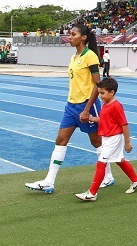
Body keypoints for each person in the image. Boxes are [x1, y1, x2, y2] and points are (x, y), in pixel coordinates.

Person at [25, 24, 114, 193]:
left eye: (73, 34)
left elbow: (98, 84)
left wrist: (87, 109)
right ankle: (49, 182)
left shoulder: (90, 56)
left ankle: (108, 177)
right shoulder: (74, 57)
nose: (69, 37)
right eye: (69, 34)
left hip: (87, 105)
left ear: (84, 38)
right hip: (71, 106)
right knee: (60, 140)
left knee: (96, 142)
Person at [75, 77, 137, 201]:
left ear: (112, 92)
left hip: (114, 138)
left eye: (102, 93)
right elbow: (104, 120)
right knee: (119, 160)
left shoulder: (116, 106)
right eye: (99, 93)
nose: (100, 96)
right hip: (106, 138)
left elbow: (124, 124)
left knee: (101, 163)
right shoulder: (106, 105)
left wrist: (127, 142)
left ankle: (92, 193)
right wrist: (92, 118)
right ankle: (136, 180)